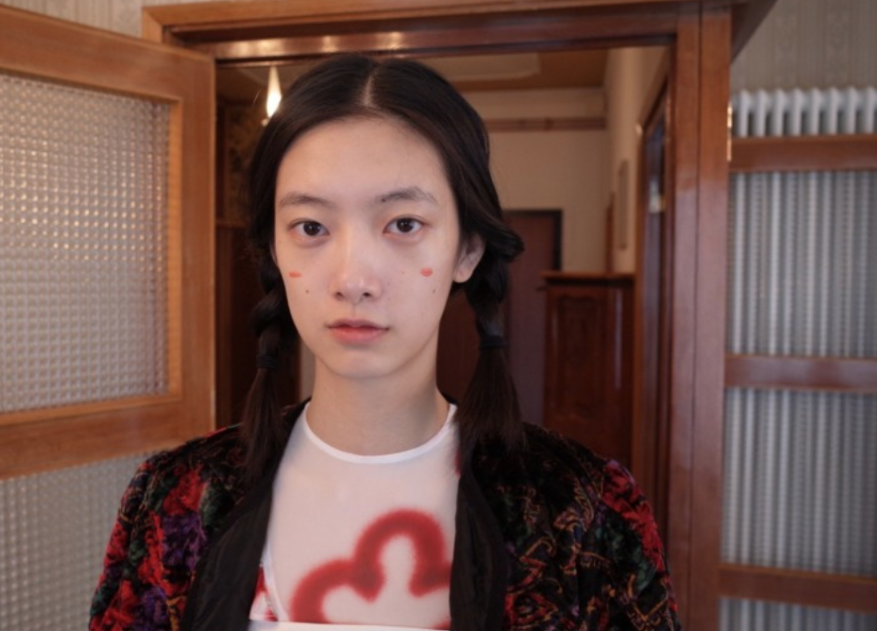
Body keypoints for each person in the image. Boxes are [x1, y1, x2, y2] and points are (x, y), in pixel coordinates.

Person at [89, 54, 679, 631]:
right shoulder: (176, 497)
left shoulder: (583, 510)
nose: (353, 281)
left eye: (403, 224)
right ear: (274, 249)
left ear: (467, 250)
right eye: (311, 227)